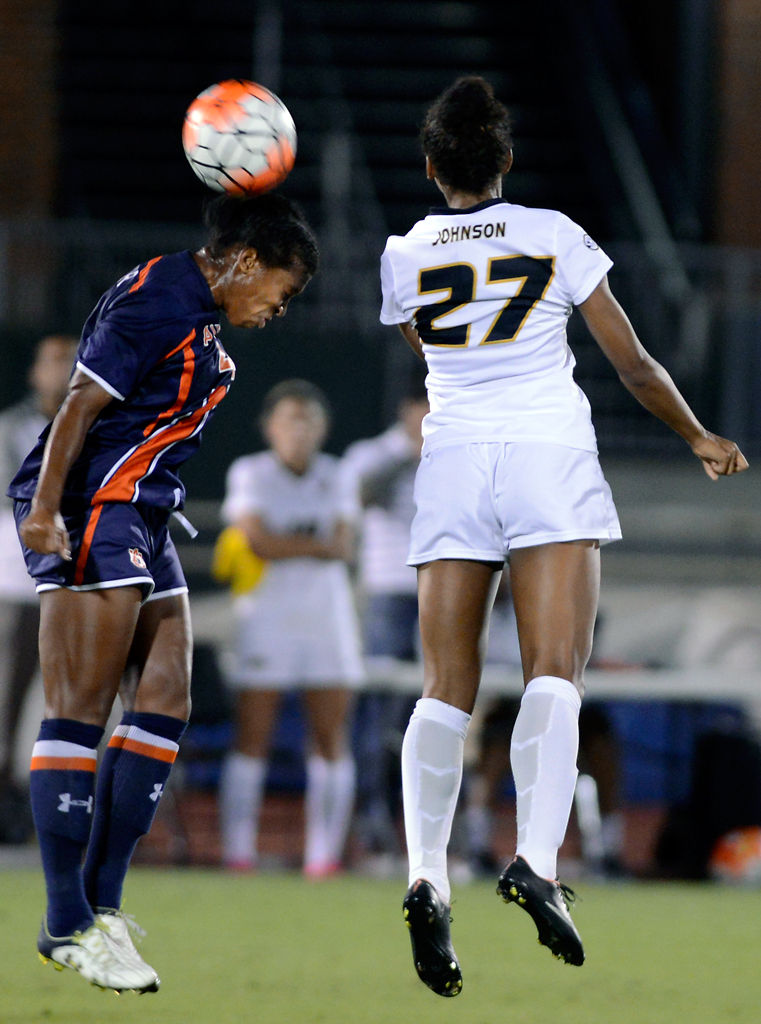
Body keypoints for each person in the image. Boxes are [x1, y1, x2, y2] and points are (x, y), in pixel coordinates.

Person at [379, 76, 748, 997]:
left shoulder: (407, 249)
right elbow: (630, 359)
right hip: (545, 451)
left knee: (444, 686)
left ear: (431, 169)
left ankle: (427, 873)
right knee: (554, 670)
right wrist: (696, 435)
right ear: (504, 162)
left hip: (454, 455)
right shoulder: (550, 232)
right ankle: (536, 862)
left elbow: (427, 352)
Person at [8, 192, 318, 994]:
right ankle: (66, 921)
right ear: (244, 262)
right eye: (278, 290)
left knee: (167, 694)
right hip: (93, 503)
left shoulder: (204, 308)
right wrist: (44, 511)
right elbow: (79, 404)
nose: (276, 308)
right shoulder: (158, 298)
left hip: (147, 508)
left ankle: (101, 907)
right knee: (78, 706)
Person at [217, 379, 363, 877]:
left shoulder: (338, 474)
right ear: (269, 427)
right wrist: (313, 545)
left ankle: (322, 856)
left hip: (327, 616)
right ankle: (239, 850)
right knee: (252, 734)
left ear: (322, 428)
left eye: (308, 420)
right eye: (288, 420)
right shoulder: (250, 472)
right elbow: (256, 541)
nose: (298, 431)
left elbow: (343, 545)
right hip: (267, 616)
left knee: (330, 737)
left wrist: (289, 543)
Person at [341, 384, 428, 860]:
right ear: (407, 409)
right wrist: (410, 454)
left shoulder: (455, 445)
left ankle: (424, 824)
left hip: (442, 591)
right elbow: (360, 495)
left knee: (435, 710)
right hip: (388, 591)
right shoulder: (372, 452)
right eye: (425, 406)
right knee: (379, 713)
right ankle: (372, 819)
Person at [0, 335, 79, 843]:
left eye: (73, 360)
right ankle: (5, 803)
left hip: (76, 580)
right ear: (35, 372)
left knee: (73, 701)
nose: (64, 369)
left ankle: (64, 806)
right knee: (7, 699)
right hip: (15, 583)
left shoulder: (99, 422)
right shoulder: (11, 427)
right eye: (54, 361)